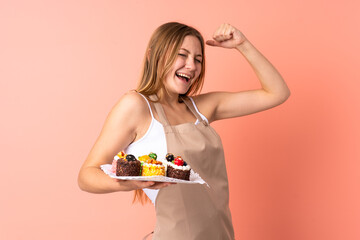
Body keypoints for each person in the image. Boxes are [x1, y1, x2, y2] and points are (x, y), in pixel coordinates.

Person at [78, 22, 290, 239]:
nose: (191, 66)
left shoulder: (201, 108)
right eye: (182, 55)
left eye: (198, 59)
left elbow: (277, 93)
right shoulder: (136, 106)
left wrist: (242, 45)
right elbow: (86, 174)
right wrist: (126, 184)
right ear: (155, 56)